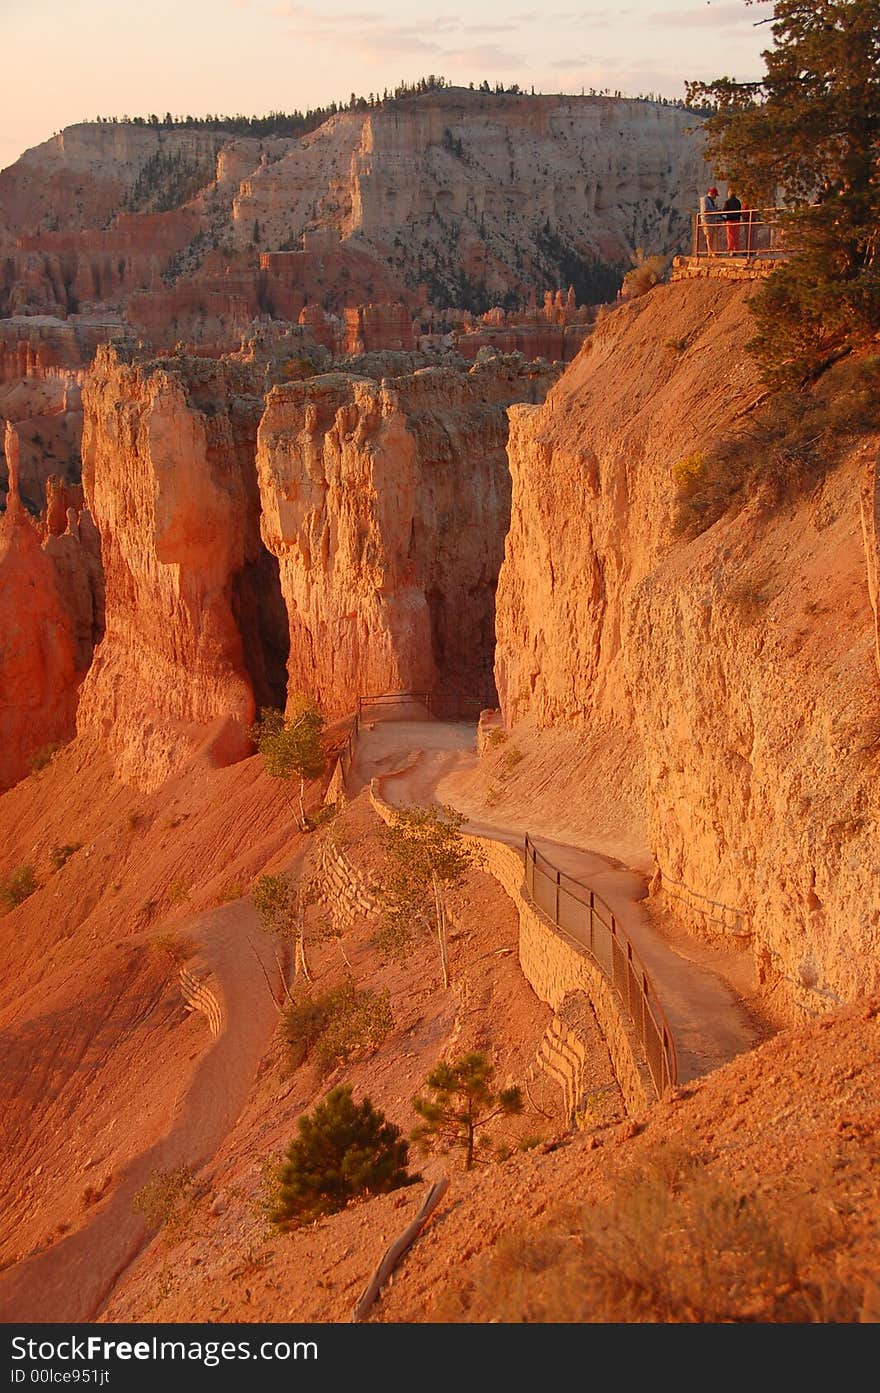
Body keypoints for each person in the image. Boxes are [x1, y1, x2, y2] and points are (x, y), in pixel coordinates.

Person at [699, 186, 720, 255]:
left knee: (711, 236)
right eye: (715, 195)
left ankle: (710, 251)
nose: (715, 197)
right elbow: (705, 210)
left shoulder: (711, 201)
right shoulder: (704, 199)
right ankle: (710, 251)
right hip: (707, 220)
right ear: (712, 193)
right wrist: (715, 210)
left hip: (711, 220)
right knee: (708, 235)